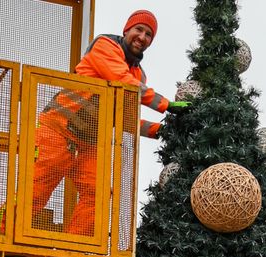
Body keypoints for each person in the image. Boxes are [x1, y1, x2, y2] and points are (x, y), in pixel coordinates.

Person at [31, 10, 190, 235]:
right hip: (58, 130)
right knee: (35, 192)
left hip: (88, 141)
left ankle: (75, 248)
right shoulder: (105, 46)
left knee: (99, 194)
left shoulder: (138, 75)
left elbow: (124, 119)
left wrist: (160, 130)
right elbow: (123, 82)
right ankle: (1, 232)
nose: (142, 37)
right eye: (139, 30)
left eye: (148, 35)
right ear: (127, 30)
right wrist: (166, 105)